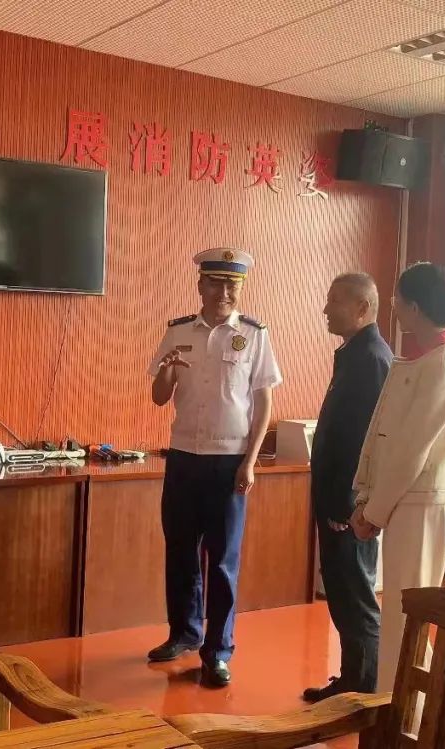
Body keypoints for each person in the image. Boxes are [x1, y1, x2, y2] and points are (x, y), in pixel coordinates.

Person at [146, 247, 282, 688]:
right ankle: (184, 633)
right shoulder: (178, 331)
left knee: (222, 560)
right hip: (184, 456)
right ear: (200, 285)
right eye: (216, 283)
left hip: (229, 461)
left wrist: (250, 461)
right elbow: (159, 397)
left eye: (232, 285)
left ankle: (218, 651)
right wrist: (167, 372)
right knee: (180, 551)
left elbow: (263, 403)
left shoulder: (254, 335)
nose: (224, 293)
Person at [349, 261, 445, 692]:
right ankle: (393, 702)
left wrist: (374, 512)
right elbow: (384, 438)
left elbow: (411, 450)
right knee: (399, 611)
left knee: (409, 612)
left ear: (415, 307)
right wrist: (366, 496)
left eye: (398, 301)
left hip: (422, 501)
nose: (395, 308)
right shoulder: (420, 360)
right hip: (403, 499)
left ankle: (403, 710)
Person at [302, 273, 392, 703]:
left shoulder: (371, 359)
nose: (326, 309)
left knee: (355, 596)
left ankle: (364, 691)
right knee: (342, 593)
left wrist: (344, 503)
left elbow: (362, 442)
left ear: (362, 308)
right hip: (336, 502)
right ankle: (353, 680)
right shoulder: (354, 355)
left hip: (347, 505)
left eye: (335, 301)